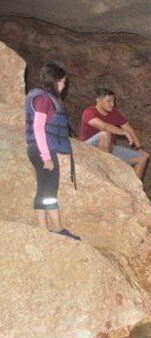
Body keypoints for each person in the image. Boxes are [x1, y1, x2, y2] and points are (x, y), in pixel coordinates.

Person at [25, 62, 80, 241]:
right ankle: (52, 230)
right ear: (56, 81)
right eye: (62, 82)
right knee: (48, 191)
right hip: (42, 149)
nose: (64, 86)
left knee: (46, 190)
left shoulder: (43, 97)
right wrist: (46, 157)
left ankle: (49, 229)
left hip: (38, 149)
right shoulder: (44, 99)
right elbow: (38, 128)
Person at [80, 87, 149, 179]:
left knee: (143, 157)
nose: (112, 104)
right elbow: (103, 126)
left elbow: (128, 128)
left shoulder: (114, 113)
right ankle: (107, 169)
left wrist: (139, 147)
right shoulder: (89, 112)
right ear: (99, 101)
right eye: (109, 101)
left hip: (108, 148)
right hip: (89, 147)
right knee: (105, 134)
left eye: (113, 101)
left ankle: (134, 190)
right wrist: (123, 133)